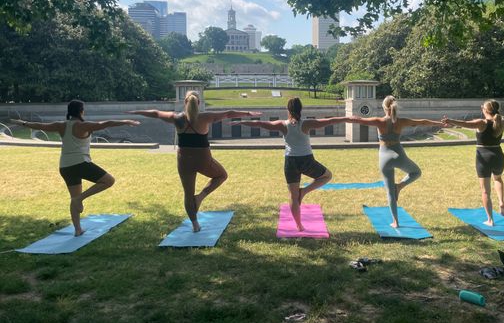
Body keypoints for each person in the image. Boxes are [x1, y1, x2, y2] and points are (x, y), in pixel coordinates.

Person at [128, 91, 261, 232]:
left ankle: (195, 225)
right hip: (203, 159)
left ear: (185, 103)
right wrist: (248, 113)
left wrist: (136, 111)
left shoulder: (177, 118)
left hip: (184, 160)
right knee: (222, 176)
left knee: (188, 193)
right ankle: (201, 197)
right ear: (198, 103)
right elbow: (228, 113)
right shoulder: (204, 117)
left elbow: (155, 113)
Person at [11, 100, 140, 236]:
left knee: (74, 197)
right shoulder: (83, 125)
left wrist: (22, 123)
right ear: (81, 111)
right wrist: (125, 121)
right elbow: (105, 124)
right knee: (109, 181)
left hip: (65, 166)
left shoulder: (61, 125)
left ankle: (78, 230)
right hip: (80, 163)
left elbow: (40, 125)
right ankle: (80, 199)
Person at [231, 97, 353, 231]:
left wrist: (241, 122)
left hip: (290, 162)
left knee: (293, 197)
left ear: (288, 109)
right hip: (306, 160)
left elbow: (261, 124)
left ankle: (299, 226)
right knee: (327, 176)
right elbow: (329, 121)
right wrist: (348, 118)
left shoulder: (282, 124)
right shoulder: (306, 124)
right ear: (301, 109)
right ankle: (304, 191)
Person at [349, 95, 446, 228]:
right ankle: (400, 186)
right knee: (416, 172)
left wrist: (344, 118)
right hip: (399, 156)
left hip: (384, 158)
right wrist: (440, 124)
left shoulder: (379, 121)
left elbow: (358, 120)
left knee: (389, 192)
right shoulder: (401, 121)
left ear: (384, 107)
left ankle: (396, 222)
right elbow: (422, 122)